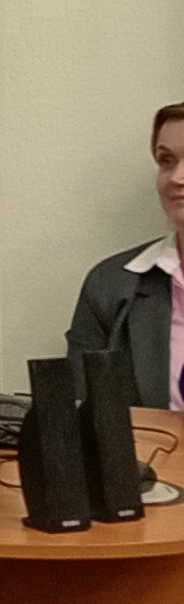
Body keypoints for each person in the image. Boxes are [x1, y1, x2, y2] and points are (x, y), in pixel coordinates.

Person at [65, 100, 184, 415]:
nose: (176, 177)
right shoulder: (110, 283)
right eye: (166, 160)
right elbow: (82, 410)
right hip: (144, 447)